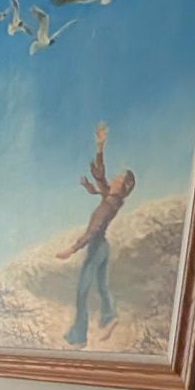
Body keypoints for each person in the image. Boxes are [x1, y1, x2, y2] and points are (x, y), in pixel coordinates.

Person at [57, 121, 135, 347]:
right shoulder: (112, 199)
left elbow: (93, 231)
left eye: (118, 179)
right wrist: (100, 147)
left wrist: (71, 249)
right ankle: (110, 316)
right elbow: (100, 179)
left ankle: (79, 336)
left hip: (96, 246)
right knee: (101, 285)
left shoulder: (109, 203)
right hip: (103, 248)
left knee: (82, 292)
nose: (114, 179)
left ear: (123, 187)